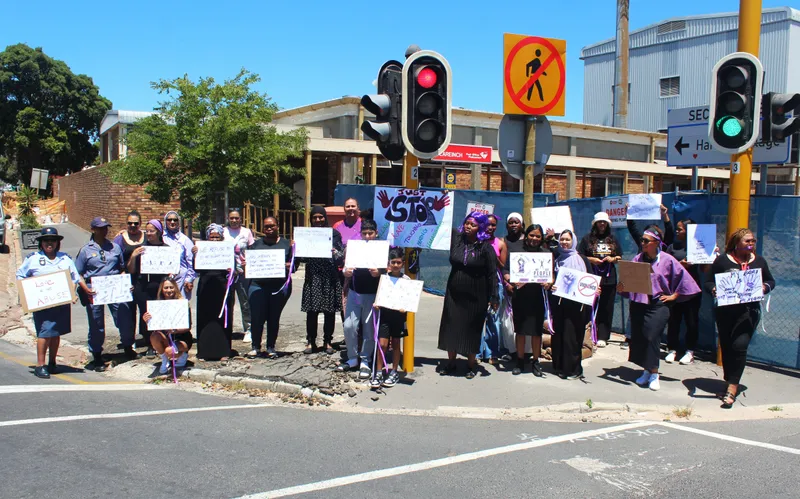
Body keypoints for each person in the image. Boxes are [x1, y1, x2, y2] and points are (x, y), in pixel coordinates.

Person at [618, 226, 700, 391]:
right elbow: (628, 280)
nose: (642, 243)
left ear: (656, 243)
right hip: (639, 304)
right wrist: (622, 286)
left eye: (646, 241)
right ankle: (646, 370)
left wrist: (674, 295)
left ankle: (655, 373)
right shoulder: (638, 259)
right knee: (641, 337)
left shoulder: (668, 260)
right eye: (641, 240)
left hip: (658, 305)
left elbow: (685, 279)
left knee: (652, 337)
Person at [706, 229, 775, 409]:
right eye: (747, 241)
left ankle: (732, 387)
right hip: (725, 312)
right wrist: (713, 289)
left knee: (739, 346)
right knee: (727, 347)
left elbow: (770, 281)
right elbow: (708, 281)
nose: (751, 244)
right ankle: (729, 379)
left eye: (753, 240)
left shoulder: (759, 261)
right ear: (737, 243)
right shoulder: (723, 261)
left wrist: (764, 287)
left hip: (748, 313)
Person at [16, 227, 89, 379]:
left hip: (61, 302)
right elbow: (21, 275)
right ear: (41, 243)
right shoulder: (33, 259)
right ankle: (40, 365)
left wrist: (72, 294)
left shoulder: (65, 259)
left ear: (57, 243)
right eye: (46, 241)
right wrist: (27, 294)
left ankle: (52, 362)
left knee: (56, 332)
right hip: (42, 303)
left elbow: (74, 277)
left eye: (53, 241)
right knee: (44, 333)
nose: (49, 244)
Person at [437, 212, 499, 379]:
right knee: (451, 326)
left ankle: (471, 365)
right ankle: (451, 362)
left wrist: (494, 297)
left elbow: (492, 274)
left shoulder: (485, 248)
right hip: (454, 294)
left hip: (476, 296)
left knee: (472, 330)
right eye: (467, 223)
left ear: (480, 227)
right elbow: (443, 225)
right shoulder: (457, 240)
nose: (468, 227)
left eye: (473, 224)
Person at [75, 216, 135, 372]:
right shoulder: (86, 250)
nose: (104, 231)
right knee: (96, 322)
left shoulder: (115, 247)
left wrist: (125, 283)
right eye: (100, 228)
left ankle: (128, 346)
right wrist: (85, 288)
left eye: (105, 228)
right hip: (94, 289)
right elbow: (78, 273)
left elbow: (121, 268)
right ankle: (96, 354)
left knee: (124, 316)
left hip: (114, 287)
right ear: (93, 229)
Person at [242, 216, 294, 358]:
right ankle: (255, 347)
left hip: (279, 287)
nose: (269, 228)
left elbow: (294, 265)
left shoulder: (287, 244)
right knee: (257, 316)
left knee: (273, 317)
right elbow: (248, 265)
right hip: (257, 285)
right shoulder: (255, 245)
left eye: (272, 226)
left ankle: (271, 347)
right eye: (266, 226)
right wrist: (246, 265)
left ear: (278, 226)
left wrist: (289, 266)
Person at [337, 219, 383, 379]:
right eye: (365, 233)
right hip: (354, 293)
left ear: (376, 233)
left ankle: (365, 360)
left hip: (372, 295)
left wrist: (379, 273)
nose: (368, 236)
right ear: (361, 234)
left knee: (369, 329)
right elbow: (345, 268)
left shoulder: (382, 249)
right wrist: (346, 272)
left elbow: (388, 270)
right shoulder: (354, 248)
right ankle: (352, 358)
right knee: (349, 326)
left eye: (371, 233)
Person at [547, 230, 596, 380]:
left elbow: (590, 280)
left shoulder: (581, 259)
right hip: (559, 304)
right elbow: (550, 278)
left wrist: (595, 289)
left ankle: (574, 369)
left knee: (572, 337)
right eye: (562, 239)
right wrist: (552, 285)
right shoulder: (556, 258)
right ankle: (560, 366)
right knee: (559, 335)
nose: (564, 242)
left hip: (576, 306)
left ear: (573, 241)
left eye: (567, 240)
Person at [503, 224, 551, 377]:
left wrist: (549, 283)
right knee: (520, 331)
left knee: (536, 332)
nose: (534, 238)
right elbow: (505, 270)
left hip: (537, 297)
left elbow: (551, 276)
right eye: (532, 235)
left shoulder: (546, 253)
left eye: (537, 236)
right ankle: (520, 361)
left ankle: (536, 362)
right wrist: (510, 279)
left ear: (541, 238)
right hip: (520, 296)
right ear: (527, 235)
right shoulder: (516, 252)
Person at [299, 206, 343, 355]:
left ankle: (327, 341)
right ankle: (311, 341)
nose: (318, 220)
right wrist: (296, 248)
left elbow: (340, 257)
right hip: (313, 277)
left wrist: (334, 252)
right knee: (312, 311)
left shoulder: (334, 234)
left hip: (329, 276)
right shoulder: (306, 235)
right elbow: (302, 258)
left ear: (325, 218)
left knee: (329, 311)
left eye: (321, 217)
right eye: (314, 217)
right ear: (311, 219)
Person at [128, 220, 175, 358]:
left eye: (151, 231)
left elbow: (172, 268)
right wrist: (134, 256)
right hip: (143, 287)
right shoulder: (141, 249)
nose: (148, 233)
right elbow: (131, 270)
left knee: (161, 314)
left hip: (160, 287)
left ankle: (163, 342)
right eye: (147, 231)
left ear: (159, 232)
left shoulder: (166, 248)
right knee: (146, 315)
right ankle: (149, 343)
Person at [665, 218, 708, 365]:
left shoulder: (699, 246)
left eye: (680, 229)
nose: (677, 232)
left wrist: (710, 255)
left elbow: (705, 269)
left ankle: (690, 352)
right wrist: (680, 264)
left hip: (692, 291)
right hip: (674, 290)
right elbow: (665, 267)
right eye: (676, 229)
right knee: (673, 321)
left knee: (691, 322)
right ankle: (672, 349)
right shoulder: (672, 247)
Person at [578, 212, 623, 348]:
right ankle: (589, 333)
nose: (602, 224)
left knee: (606, 307)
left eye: (604, 222)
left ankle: (603, 336)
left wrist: (613, 259)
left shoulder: (613, 239)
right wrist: (592, 260)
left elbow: (620, 256)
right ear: (595, 224)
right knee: (590, 305)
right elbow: (580, 255)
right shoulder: (587, 239)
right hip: (591, 277)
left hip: (609, 279)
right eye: (600, 222)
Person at [193, 224, 236, 361]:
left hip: (223, 287)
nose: (215, 240)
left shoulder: (227, 250)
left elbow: (235, 269)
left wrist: (231, 270)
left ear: (222, 238)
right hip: (205, 287)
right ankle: (204, 352)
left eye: (217, 237)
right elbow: (195, 269)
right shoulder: (201, 250)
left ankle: (224, 351)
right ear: (207, 238)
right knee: (204, 318)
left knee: (223, 319)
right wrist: (195, 254)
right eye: (212, 237)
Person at [370, 247, 408, 389]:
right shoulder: (384, 278)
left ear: (403, 263)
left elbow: (410, 298)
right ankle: (379, 372)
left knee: (396, 344)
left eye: (398, 262)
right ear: (389, 263)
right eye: (393, 262)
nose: (396, 265)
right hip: (385, 316)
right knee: (383, 344)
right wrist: (377, 304)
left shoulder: (406, 280)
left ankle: (394, 371)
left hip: (399, 317)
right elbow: (379, 296)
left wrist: (405, 307)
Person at [143, 278, 192, 374]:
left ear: (175, 288)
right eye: (166, 288)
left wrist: (175, 330)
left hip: (182, 337)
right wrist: (147, 320)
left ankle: (183, 355)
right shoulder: (157, 304)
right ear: (161, 289)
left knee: (170, 351)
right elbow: (155, 327)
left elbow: (188, 326)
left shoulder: (183, 303)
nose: (169, 290)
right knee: (154, 336)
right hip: (166, 337)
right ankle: (165, 360)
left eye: (171, 287)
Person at [114, 210, 146, 343]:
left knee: (145, 310)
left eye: (136, 223)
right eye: (130, 223)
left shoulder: (146, 236)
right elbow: (114, 258)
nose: (133, 226)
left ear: (140, 223)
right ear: (126, 223)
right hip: (126, 280)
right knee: (128, 312)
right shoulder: (119, 239)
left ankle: (147, 339)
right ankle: (129, 341)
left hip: (144, 281)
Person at [479, 214, 507, 364]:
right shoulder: (477, 241)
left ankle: (492, 353)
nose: (490, 227)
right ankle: (476, 352)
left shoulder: (500, 244)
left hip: (495, 283)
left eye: (493, 225)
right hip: (478, 281)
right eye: (487, 224)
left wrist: (492, 256)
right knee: (478, 317)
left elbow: (503, 266)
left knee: (493, 317)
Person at [223, 209, 253, 340]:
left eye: (236, 218)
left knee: (245, 302)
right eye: (232, 218)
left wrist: (249, 262)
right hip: (227, 274)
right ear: (228, 219)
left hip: (242, 273)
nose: (234, 220)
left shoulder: (246, 232)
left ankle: (248, 329)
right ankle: (226, 329)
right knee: (227, 302)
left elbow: (252, 250)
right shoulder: (223, 232)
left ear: (241, 219)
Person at [162, 211, 196, 299]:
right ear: (165, 221)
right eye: (169, 220)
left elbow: (191, 262)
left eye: (175, 220)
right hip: (164, 281)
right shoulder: (161, 237)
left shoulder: (185, 240)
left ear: (178, 222)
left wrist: (189, 279)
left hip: (181, 281)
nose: (172, 222)